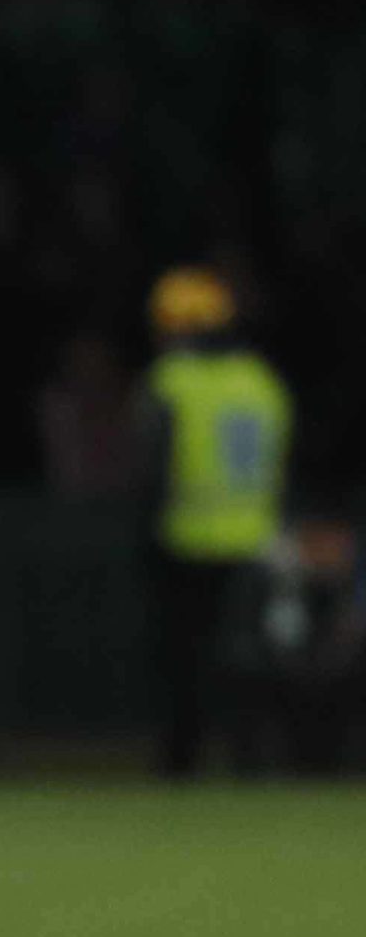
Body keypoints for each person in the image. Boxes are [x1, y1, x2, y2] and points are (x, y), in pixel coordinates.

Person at [137, 266, 292, 779]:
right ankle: (254, 762)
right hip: (255, 541)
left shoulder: (172, 381)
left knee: (183, 663)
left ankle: (182, 763)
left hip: (185, 540)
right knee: (249, 661)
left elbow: (152, 470)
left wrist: (144, 530)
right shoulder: (262, 381)